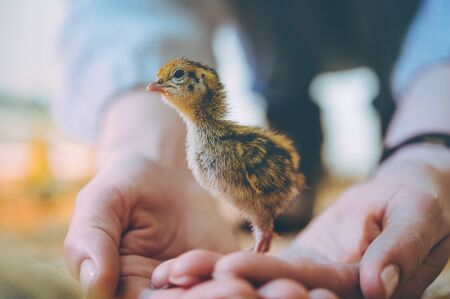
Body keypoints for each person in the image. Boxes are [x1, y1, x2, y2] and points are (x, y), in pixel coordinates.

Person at [57, 0, 450, 298]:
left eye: (175, 79)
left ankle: (383, 145)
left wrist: (425, 143)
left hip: (406, 24)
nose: (161, 84)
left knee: (384, 101)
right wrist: (145, 149)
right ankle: (295, 203)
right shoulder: (209, 137)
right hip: (275, 41)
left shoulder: (224, 145)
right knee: (285, 92)